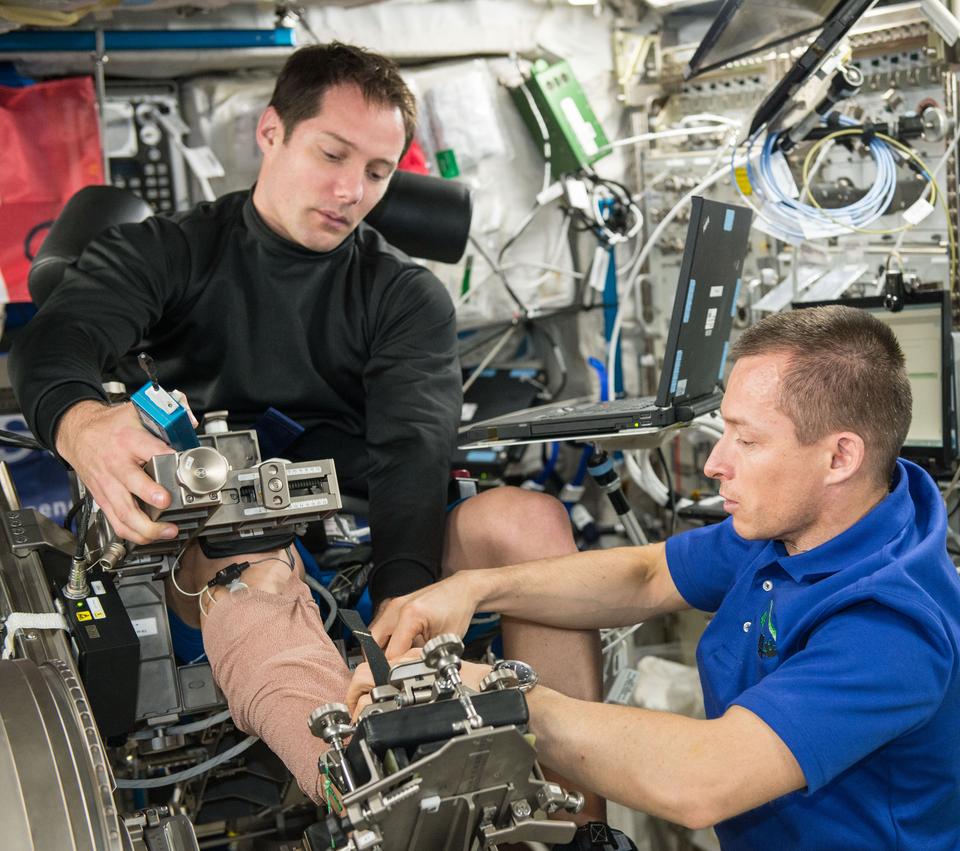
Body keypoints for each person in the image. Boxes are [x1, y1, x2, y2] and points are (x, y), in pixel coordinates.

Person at [9, 42, 625, 846]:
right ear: (271, 134)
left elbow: (413, 454)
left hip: (378, 550)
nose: (349, 192)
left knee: (528, 521)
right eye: (331, 154)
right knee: (252, 562)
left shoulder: (402, 293)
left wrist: (402, 618)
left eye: (375, 171)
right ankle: (370, 796)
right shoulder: (170, 253)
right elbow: (56, 340)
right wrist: (82, 422)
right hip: (225, 559)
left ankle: (575, 825)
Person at [358, 305, 960, 849]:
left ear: (840, 455)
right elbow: (645, 574)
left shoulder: (892, 626)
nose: (715, 463)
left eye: (746, 440)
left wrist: (493, 694)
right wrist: (471, 588)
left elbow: (702, 781)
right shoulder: (819, 521)